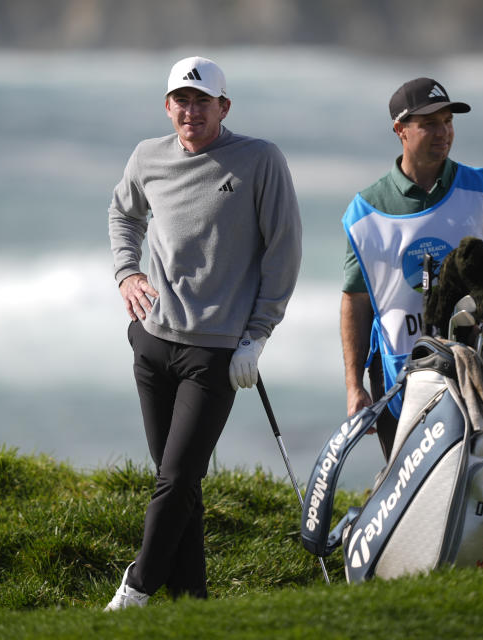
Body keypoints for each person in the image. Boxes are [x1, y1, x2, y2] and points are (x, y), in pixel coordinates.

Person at [105, 56, 302, 610]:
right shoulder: (148, 157)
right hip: (151, 341)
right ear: (168, 106)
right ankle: (192, 601)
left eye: (202, 101)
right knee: (178, 482)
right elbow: (123, 215)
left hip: (215, 353)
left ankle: (135, 592)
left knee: (174, 480)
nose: (191, 111)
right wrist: (127, 273)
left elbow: (283, 250)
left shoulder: (260, 160)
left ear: (224, 107)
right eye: (181, 100)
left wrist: (258, 335)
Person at [340, 76, 483, 562]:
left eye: (448, 122)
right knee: (411, 497)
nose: (443, 132)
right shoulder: (365, 211)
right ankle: (415, 586)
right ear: (400, 130)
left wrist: (476, 316)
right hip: (398, 378)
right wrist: (353, 385)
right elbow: (357, 302)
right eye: (429, 123)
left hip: (473, 370)